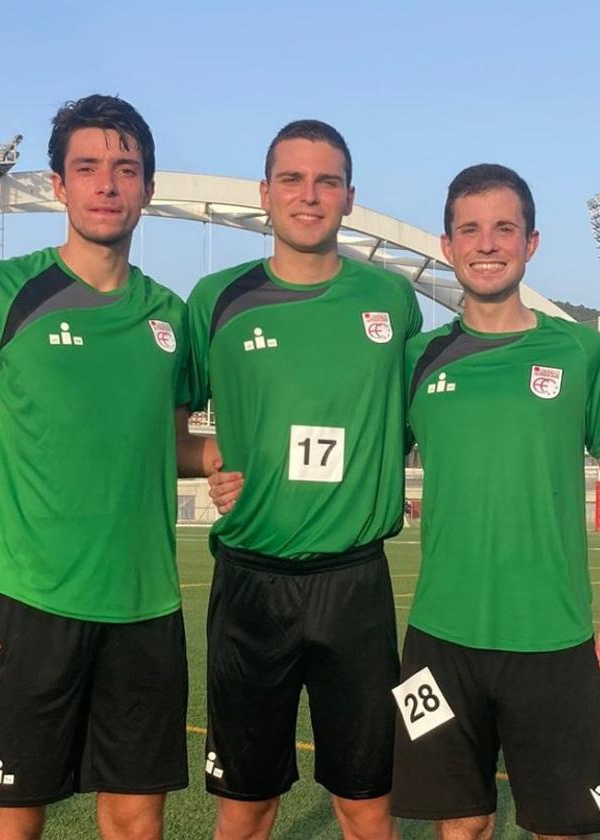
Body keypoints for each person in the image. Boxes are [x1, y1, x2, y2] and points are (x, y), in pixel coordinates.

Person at [0, 94, 209, 840]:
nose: (106, 184)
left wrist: (230, 460)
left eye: (125, 169)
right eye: (87, 168)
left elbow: (174, 445)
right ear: (57, 186)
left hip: (145, 609)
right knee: (12, 827)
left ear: (148, 187)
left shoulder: (172, 317)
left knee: (136, 824)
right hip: (24, 605)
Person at [391, 164, 600, 840]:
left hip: (554, 643)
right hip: (439, 642)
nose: (487, 243)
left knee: (560, 830)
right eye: (469, 229)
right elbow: (362, 456)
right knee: (460, 827)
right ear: (447, 246)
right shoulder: (417, 357)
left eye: (505, 228)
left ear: (531, 243)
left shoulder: (581, 352)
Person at [189, 120, 422, 840]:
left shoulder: (392, 300)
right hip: (249, 586)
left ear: (350, 198)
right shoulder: (215, 301)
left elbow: (416, 423)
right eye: (292, 179)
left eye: (326, 181)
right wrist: (206, 462)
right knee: (248, 806)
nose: (309, 195)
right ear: (264, 194)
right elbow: (165, 432)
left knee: (366, 803)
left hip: (355, 587)